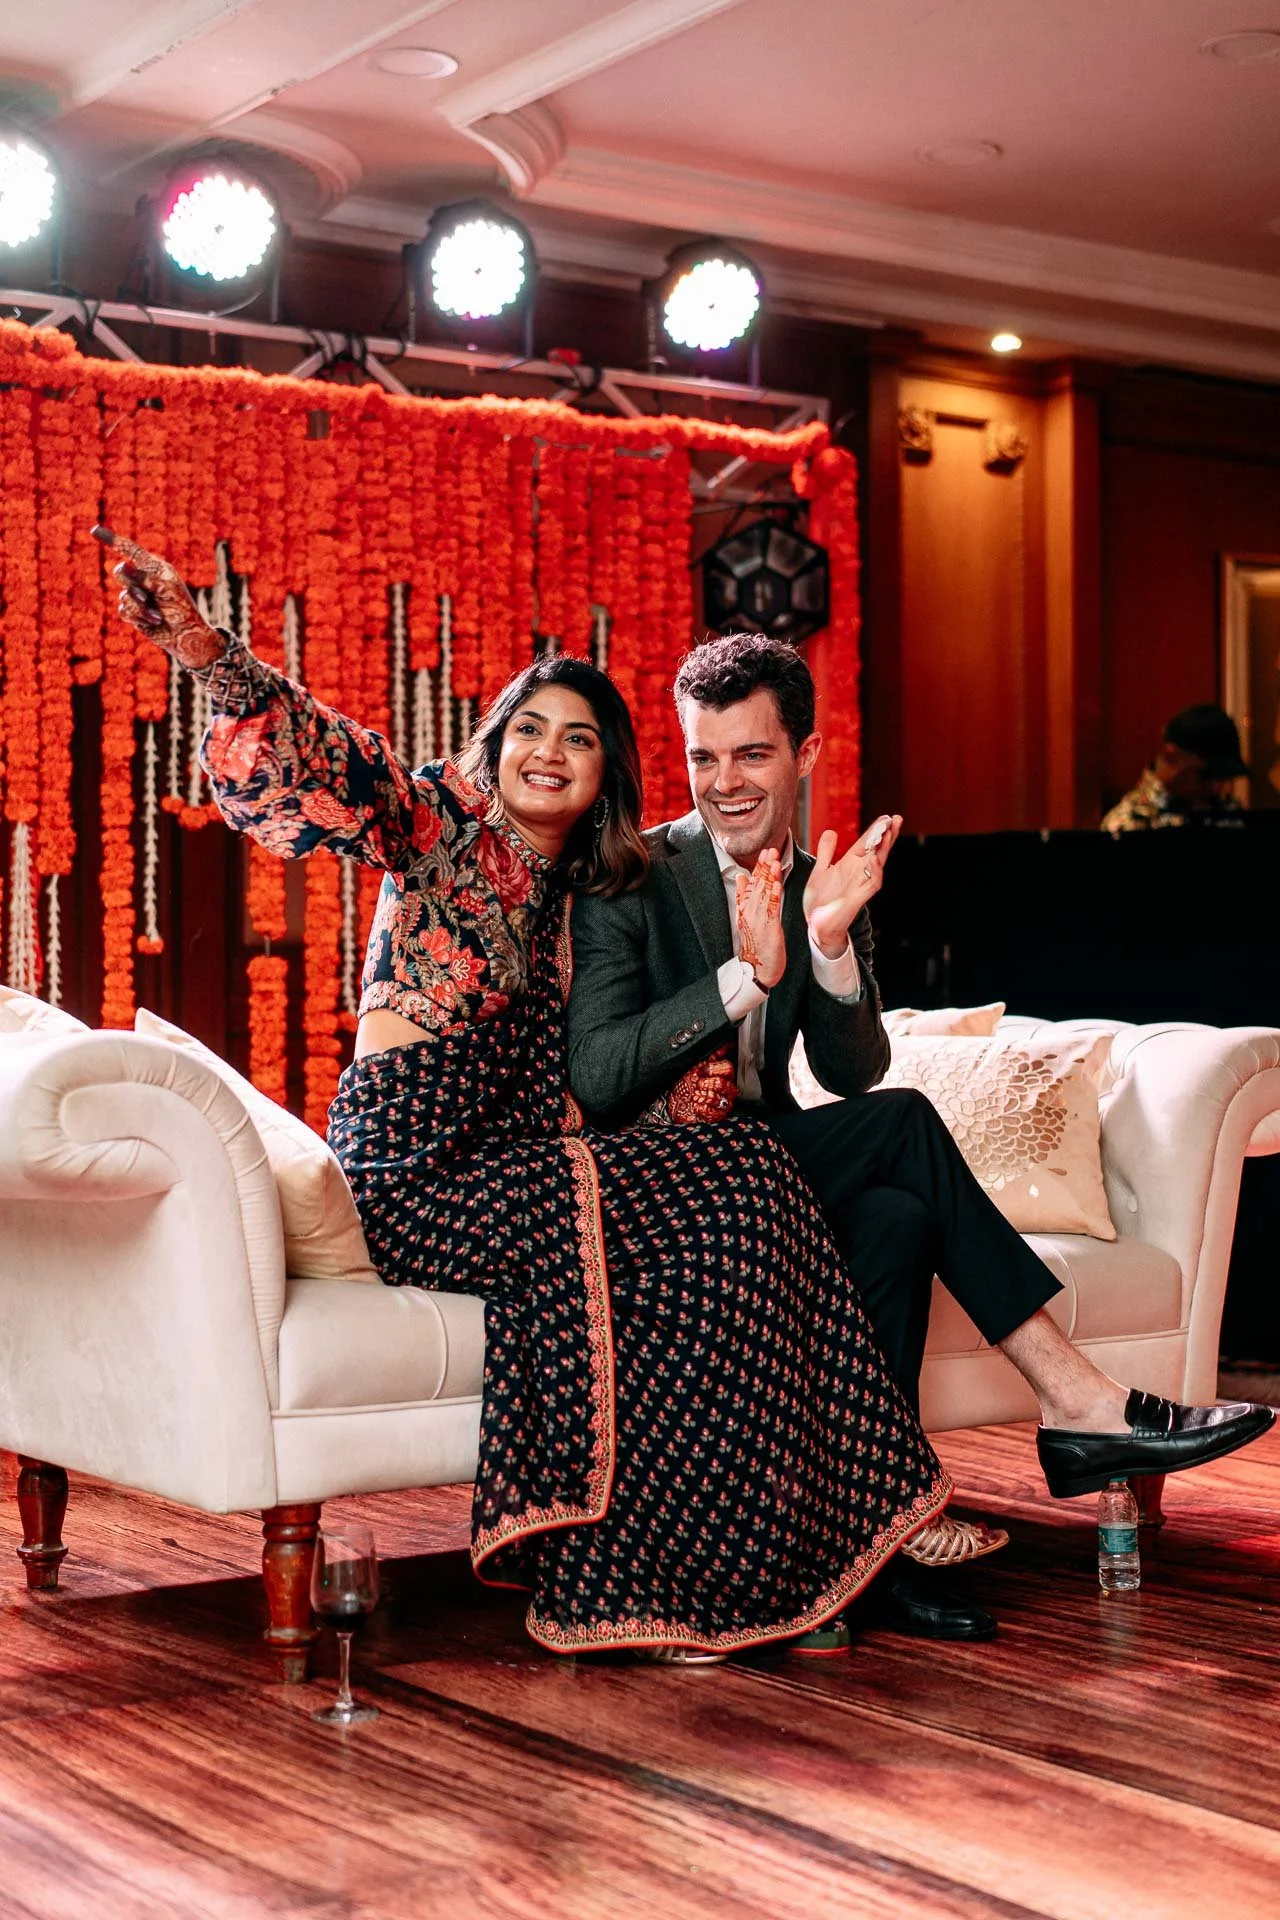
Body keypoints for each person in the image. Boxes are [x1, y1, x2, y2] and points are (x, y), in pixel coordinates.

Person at [105, 529, 955, 1665]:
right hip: (418, 1173)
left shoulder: (601, 892)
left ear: (608, 773)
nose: (550, 753)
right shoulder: (434, 832)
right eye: (531, 730)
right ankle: (859, 1512)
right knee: (735, 1184)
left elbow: (619, 1067)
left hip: (524, 1163)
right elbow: (320, 758)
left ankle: (736, 1568)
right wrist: (210, 651)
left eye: (582, 739)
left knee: (742, 1183)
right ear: (495, 743)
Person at [565, 630, 1274, 1630]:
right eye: (701, 757)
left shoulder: (826, 883)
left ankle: (874, 1555)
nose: (722, 782)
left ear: (804, 755)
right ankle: (1076, 1403)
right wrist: (742, 980)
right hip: (654, 1186)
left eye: (751, 754)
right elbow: (595, 1078)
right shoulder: (630, 875)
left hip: (760, 1178)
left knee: (897, 1217)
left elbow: (853, 1067)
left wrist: (824, 944)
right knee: (898, 1129)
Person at [1101, 704, 1246, 832]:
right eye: (1206, 776)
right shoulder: (1129, 823)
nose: (1216, 788)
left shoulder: (1228, 811)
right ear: (1172, 757)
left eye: (1223, 778)